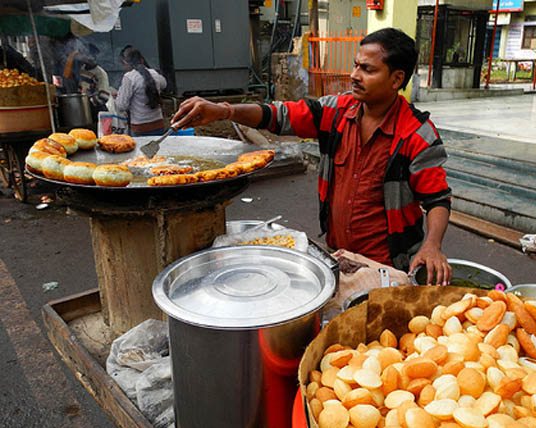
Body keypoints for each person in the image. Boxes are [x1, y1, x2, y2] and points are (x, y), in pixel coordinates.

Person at [172, 28, 453, 284]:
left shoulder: (417, 134)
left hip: (389, 267)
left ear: (396, 79)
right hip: (339, 257)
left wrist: (432, 245)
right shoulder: (335, 112)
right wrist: (224, 111)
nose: (354, 75)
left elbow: (437, 199)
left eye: (367, 69)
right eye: (356, 65)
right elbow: (278, 115)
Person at [114, 47, 166, 136]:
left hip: (140, 128)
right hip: (158, 125)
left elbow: (121, 105)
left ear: (125, 62)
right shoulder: (154, 73)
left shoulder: (129, 77)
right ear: (141, 59)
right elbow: (164, 84)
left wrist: (118, 95)